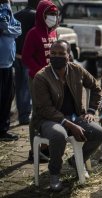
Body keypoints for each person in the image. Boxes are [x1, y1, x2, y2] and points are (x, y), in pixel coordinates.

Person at [31, 40, 102, 191]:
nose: (56, 56)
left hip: (76, 116)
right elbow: (45, 109)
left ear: (69, 55)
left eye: (61, 53)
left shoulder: (76, 70)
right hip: (48, 120)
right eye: (53, 54)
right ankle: (54, 174)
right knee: (59, 135)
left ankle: (77, 161)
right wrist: (71, 125)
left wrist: (91, 111)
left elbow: (96, 87)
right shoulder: (41, 77)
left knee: (99, 133)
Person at [22, 0, 58, 160]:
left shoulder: (53, 33)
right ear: (41, 14)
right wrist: (40, 72)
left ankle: (46, 147)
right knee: (37, 113)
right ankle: (34, 151)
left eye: (55, 14)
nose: (53, 17)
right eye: (49, 14)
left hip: (53, 80)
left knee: (51, 112)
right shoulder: (33, 33)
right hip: (37, 80)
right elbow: (26, 57)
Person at [13, 0, 40, 125]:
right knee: (27, 87)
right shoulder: (37, 16)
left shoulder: (17, 15)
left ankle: (22, 114)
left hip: (15, 56)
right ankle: (25, 116)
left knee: (20, 87)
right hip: (29, 57)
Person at [0, 0, 21, 141]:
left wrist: (7, 29)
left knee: (7, 98)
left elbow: (18, 29)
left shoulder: (7, 8)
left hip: (8, 64)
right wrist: (9, 29)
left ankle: (3, 130)